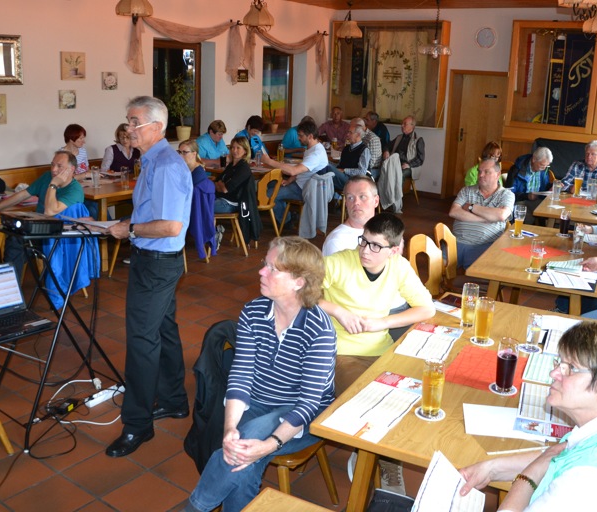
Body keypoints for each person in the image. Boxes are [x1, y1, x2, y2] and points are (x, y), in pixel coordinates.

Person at [459, 321, 597, 511]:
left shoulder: (592, 484)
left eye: (571, 368)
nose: (554, 373)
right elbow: (561, 455)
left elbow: (553, 462)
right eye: (559, 363)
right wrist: (492, 468)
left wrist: (528, 476)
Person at [185, 237, 336, 512]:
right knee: (242, 453)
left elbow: (308, 403)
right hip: (258, 403)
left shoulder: (319, 329)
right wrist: (230, 428)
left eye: (272, 268)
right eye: (264, 264)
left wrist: (269, 445)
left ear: (299, 282)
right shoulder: (253, 312)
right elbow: (240, 375)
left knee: (246, 442)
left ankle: (194, 509)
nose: (261, 271)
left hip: (304, 416)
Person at [321, 213, 434, 495]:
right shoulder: (338, 262)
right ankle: (376, 458)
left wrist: (383, 323)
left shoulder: (399, 266)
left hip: (381, 349)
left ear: (394, 251)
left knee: (414, 400)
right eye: (364, 241)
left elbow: (426, 308)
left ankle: (374, 451)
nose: (365, 250)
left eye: (375, 246)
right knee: (372, 405)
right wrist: (338, 311)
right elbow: (298, 292)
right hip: (342, 352)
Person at [106, 96, 193, 458]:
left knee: (142, 340)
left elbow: (170, 225)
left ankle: (137, 424)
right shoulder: (152, 161)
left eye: (135, 122)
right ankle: (173, 400)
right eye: (128, 121)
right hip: (155, 260)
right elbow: (153, 214)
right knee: (163, 330)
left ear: (157, 127)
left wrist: (130, 229)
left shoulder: (167, 165)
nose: (129, 128)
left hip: (157, 263)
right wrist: (130, 225)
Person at [0, 150, 84, 274]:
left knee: (17, 242)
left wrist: (53, 184)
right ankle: (11, 277)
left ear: (71, 169)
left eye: (59, 166)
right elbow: (22, 195)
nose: (54, 169)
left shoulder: (75, 190)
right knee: (13, 233)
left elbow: (49, 211)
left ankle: (11, 278)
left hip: (60, 236)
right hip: (39, 229)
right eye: (52, 164)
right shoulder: (47, 176)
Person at [260, 118, 328, 226]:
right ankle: (287, 216)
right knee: (272, 184)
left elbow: (293, 171)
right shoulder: (312, 148)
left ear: (310, 136)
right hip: (302, 184)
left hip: (305, 189)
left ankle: (286, 221)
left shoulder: (316, 154)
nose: (298, 138)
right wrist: (289, 181)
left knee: (267, 195)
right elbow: (302, 171)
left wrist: (269, 161)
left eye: (301, 135)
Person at [449, 157, 515, 269]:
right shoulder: (466, 190)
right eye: (479, 171)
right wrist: (486, 218)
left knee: (477, 275)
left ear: (498, 174)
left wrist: (471, 207)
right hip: (456, 241)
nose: (481, 175)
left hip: (484, 245)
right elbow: (454, 212)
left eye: (486, 172)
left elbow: (501, 215)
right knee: (435, 269)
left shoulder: (506, 194)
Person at [322, 176, 379, 257]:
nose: (356, 202)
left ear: (376, 201)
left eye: (362, 196)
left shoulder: (384, 232)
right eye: (350, 198)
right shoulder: (337, 241)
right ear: (346, 203)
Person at [378, 116, 425, 213]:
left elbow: (420, 159)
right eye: (402, 123)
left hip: (409, 166)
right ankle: (386, 199)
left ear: (412, 126)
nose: (402, 125)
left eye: (405, 124)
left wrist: (409, 164)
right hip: (395, 164)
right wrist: (386, 151)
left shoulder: (418, 140)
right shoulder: (399, 137)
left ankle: (396, 202)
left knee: (400, 174)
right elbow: (387, 145)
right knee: (384, 170)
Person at [506, 146, 554, 224]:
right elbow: (509, 193)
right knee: (529, 216)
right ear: (534, 159)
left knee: (551, 209)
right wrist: (527, 196)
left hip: (537, 200)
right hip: (520, 201)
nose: (544, 168)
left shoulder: (543, 169)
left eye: (546, 166)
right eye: (542, 165)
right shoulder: (516, 170)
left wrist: (552, 187)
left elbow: (544, 186)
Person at [213, 136, 252, 214]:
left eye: (238, 148)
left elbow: (226, 189)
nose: (234, 150)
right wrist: (221, 185)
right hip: (220, 198)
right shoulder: (231, 165)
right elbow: (216, 181)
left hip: (230, 204)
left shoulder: (243, 168)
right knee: (197, 201)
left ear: (245, 151)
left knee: (200, 206)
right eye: (232, 148)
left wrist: (220, 185)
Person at [331, 123, 371, 190]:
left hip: (354, 180)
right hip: (342, 176)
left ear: (358, 135)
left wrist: (344, 170)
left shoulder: (364, 150)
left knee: (328, 170)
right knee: (326, 166)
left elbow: (362, 172)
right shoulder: (346, 148)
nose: (347, 134)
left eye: (350, 132)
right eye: (348, 132)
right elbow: (340, 165)